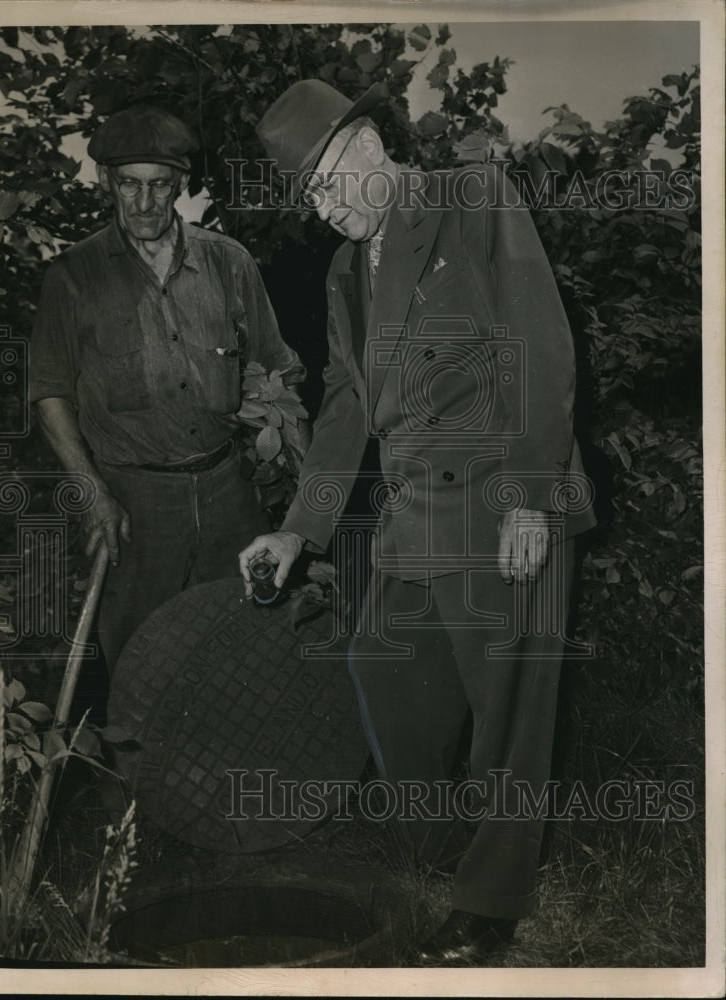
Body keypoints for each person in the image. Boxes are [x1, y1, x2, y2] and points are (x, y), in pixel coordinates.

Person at [239, 79, 595, 965]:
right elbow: (348, 405)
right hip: (415, 514)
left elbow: (542, 344)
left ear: (366, 146)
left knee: (508, 711)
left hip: (498, 493)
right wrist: (300, 529)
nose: (322, 210)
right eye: (308, 198)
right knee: (384, 674)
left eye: (326, 184)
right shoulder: (342, 271)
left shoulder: (471, 201)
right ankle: (444, 851)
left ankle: (491, 903)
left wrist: (529, 497)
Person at [30, 104, 302, 682]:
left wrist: (281, 472)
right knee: (141, 664)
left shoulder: (229, 262)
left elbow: (277, 370)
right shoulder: (73, 276)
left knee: (246, 652)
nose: (145, 203)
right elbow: (50, 392)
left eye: (159, 186)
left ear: (180, 184)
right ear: (107, 181)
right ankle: (137, 774)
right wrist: (92, 490)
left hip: (230, 492)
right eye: (129, 185)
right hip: (133, 501)